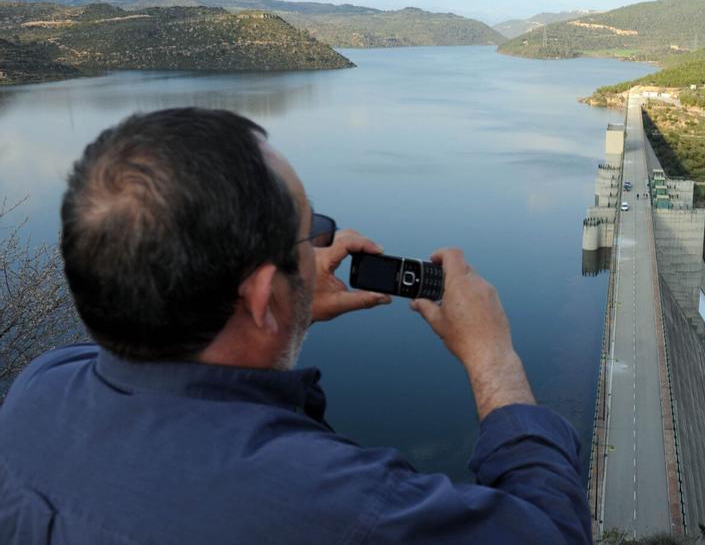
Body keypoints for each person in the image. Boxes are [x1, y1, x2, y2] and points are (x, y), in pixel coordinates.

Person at [0, 108, 589, 544]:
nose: (321, 248)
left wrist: (290, 304)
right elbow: (551, 533)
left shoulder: (39, 389)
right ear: (258, 293)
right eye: (312, 233)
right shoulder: (345, 506)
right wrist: (494, 360)